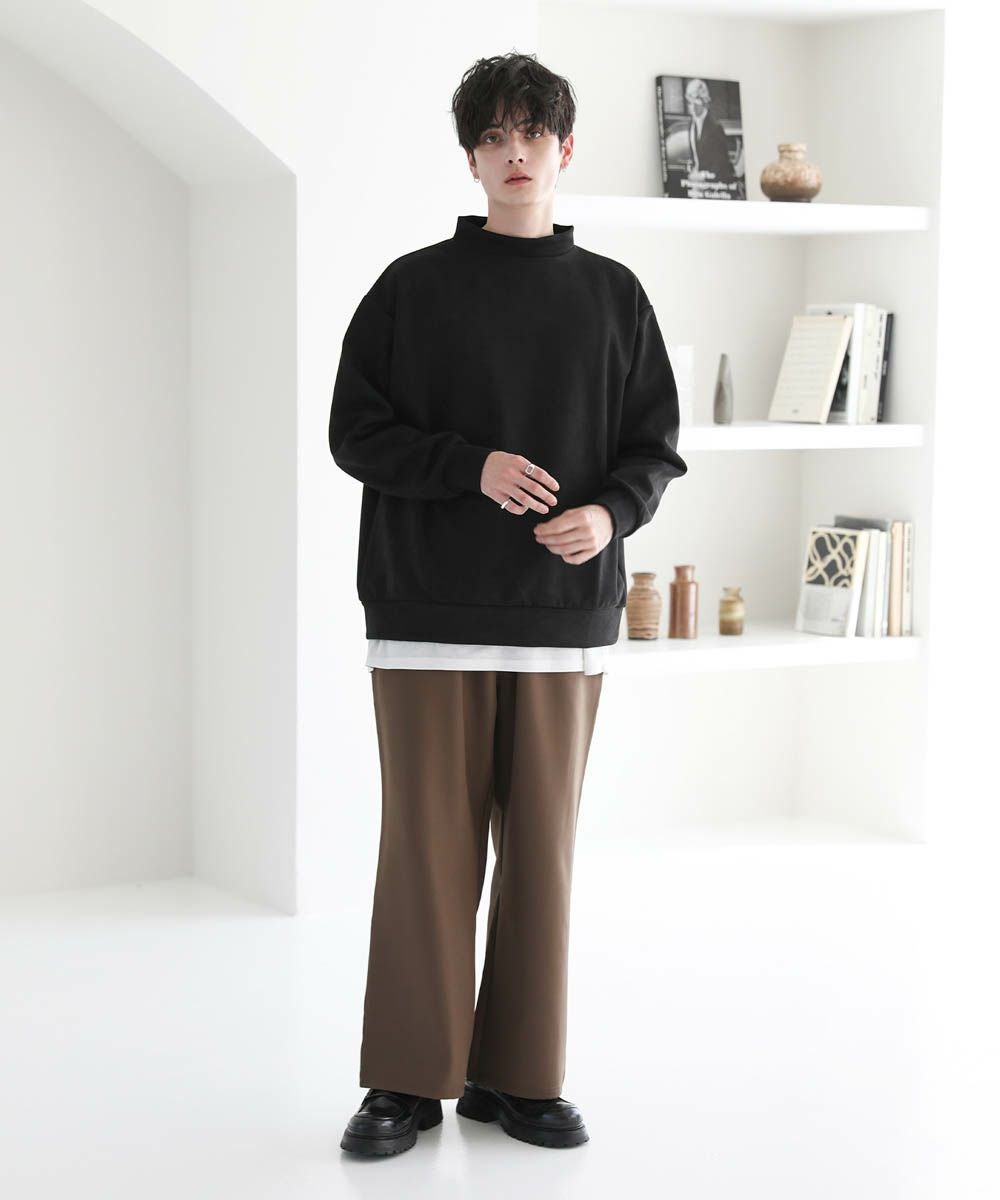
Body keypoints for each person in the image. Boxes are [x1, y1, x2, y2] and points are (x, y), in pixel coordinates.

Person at [329, 50, 687, 1157]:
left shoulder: (614, 297)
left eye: (532, 133)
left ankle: (518, 1079)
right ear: (471, 158)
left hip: (560, 615)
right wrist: (468, 466)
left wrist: (611, 515)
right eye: (493, 136)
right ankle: (405, 1082)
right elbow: (355, 434)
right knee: (425, 855)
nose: (515, 152)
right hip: (425, 610)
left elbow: (654, 448)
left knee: (542, 856)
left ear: (565, 149)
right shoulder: (409, 289)